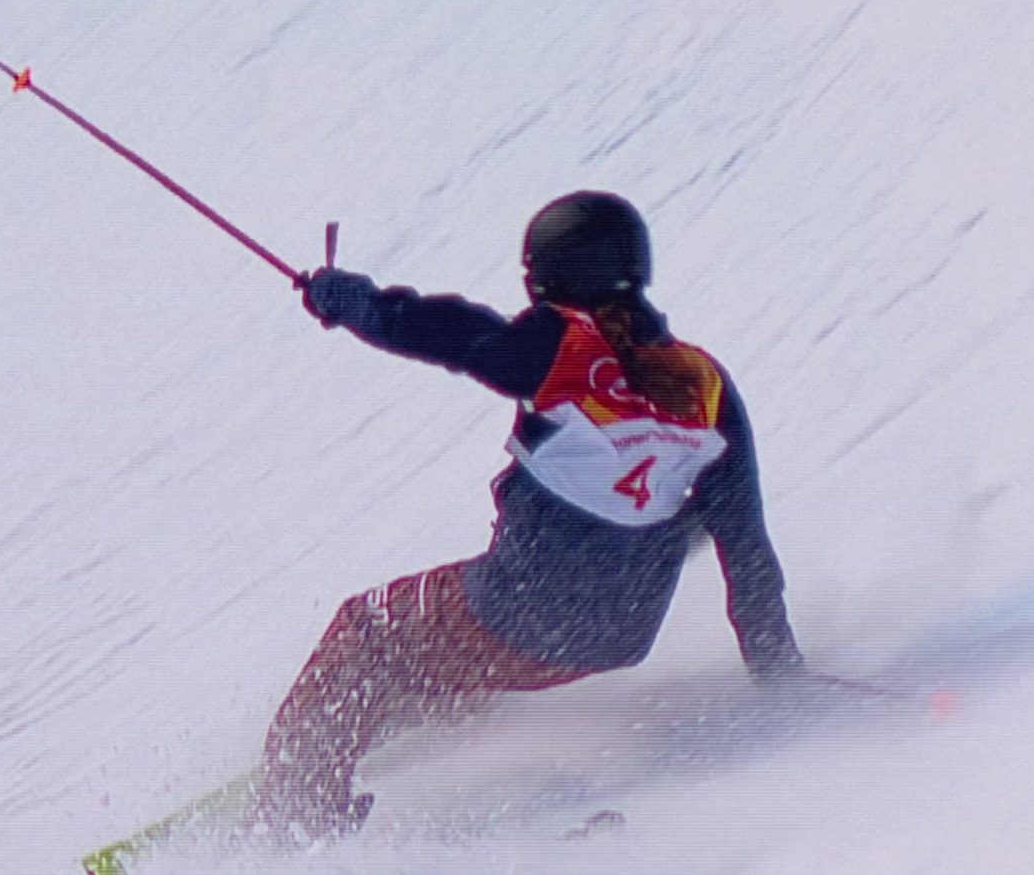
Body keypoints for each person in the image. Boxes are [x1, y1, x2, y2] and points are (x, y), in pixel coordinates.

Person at [249, 191, 808, 844]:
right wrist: (782, 681)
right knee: (670, 526)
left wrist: (349, 301)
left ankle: (288, 821)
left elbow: (447, 330)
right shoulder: (706, 388)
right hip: (619, 638)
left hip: (514, 618)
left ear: (549, 280)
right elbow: (746, 551)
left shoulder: (561, 347)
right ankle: (422, 706)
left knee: (366, 630)